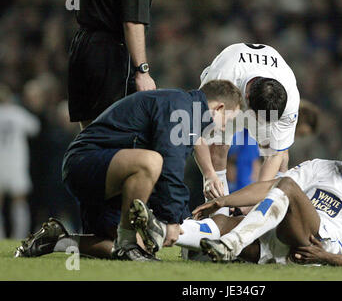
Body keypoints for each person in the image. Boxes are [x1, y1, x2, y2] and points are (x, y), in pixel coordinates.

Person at [15, 80, 243, 261]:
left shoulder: (183, 111)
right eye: (227, 121)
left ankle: (57, 241)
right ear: (219, 108)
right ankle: (128, 242)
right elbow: (169, 165)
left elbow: (167, 176)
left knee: (140, 248)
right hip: (86, 162)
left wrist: (183, 219)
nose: (223, 128)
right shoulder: (180, 106)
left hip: (110, 173)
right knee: (152, 161)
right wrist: (173, 220)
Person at [190, 124, 342, 266]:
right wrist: (222, 201)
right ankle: (166, 233)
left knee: (289, 186)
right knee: (220, 222)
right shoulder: (320, 167)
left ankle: (232, 244)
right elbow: (269, 187)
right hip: (283, 239)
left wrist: (327, 257)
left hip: (316, 247)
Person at [197, 43, 300, 214]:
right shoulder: (221, 80)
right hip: (230, 88)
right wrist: (208, 174)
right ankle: (217, 217)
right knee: (217, 147)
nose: (261, 126)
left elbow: (275, 154)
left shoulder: (290, 98)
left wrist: (253, 202)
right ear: (246, 99)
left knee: (280, 156)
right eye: (258, 119)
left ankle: (272, 214)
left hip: (253, 97)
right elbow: (197, 134)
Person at [68, 0, 157, 130]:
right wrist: (142, 71)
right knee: (116, 137)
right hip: (111, 53)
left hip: (82, 45)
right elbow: (132, 21)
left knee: (90, 136)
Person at [0, 84, 40, 239]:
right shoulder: (18, 113)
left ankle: (1, 236)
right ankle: (20, 235)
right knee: (19, 200)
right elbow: (35, 128)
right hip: (16, 163)